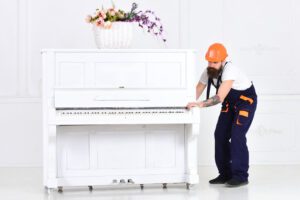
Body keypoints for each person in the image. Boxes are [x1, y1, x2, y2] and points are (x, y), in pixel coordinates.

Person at [187, 43, 257, 187]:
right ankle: (225, 174)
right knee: (220, 135)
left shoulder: (230, 70)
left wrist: (199, 104)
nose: (211, 64)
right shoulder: (208, 72)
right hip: (230, 105)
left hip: (245, 103)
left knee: (237, 135)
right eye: (209, 61)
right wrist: (184, 103)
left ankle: (241, 176)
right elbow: (195, 92)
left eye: (215, 62)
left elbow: (219, 97)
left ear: (223, 60)